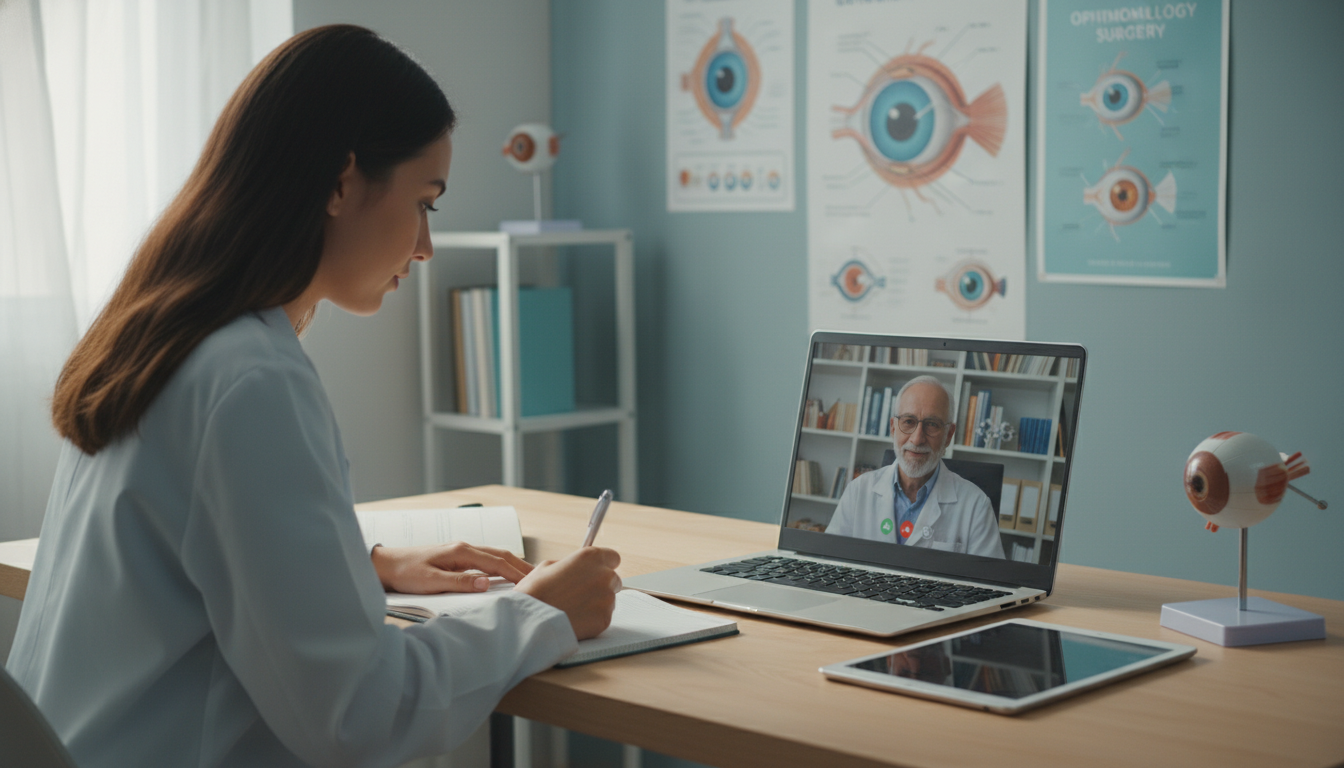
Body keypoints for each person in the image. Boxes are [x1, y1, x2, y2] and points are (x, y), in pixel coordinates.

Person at [7, 25, 622, 768]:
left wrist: (363, 565)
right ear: (340, 182)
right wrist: (539, 614)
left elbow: (181, 559)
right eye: (425, 202)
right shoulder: (251, 380)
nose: (425, 246)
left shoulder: (161, 335)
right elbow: (360, 717)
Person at [826, 375, 1005, 559]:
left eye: (932, 424)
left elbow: (989, 584)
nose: (917, 439)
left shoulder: (976, 506)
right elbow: (829, 562)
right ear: (893, 427)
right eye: (908, 422)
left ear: (949, 435)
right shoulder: (858, 491)